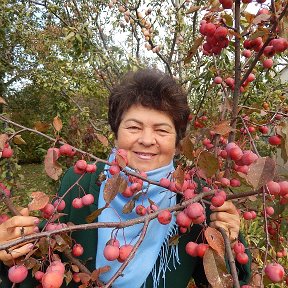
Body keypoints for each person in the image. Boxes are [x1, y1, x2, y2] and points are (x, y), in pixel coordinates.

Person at [0, 69, 251, 287]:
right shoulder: (83, 180)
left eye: (162, 130)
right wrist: (14, 250)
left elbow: (216, 281)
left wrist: (227, 238)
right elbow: (50, 256)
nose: (146, 139)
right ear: (116, 132)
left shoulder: (194, 198)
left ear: (177, 142)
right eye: (133, 127)